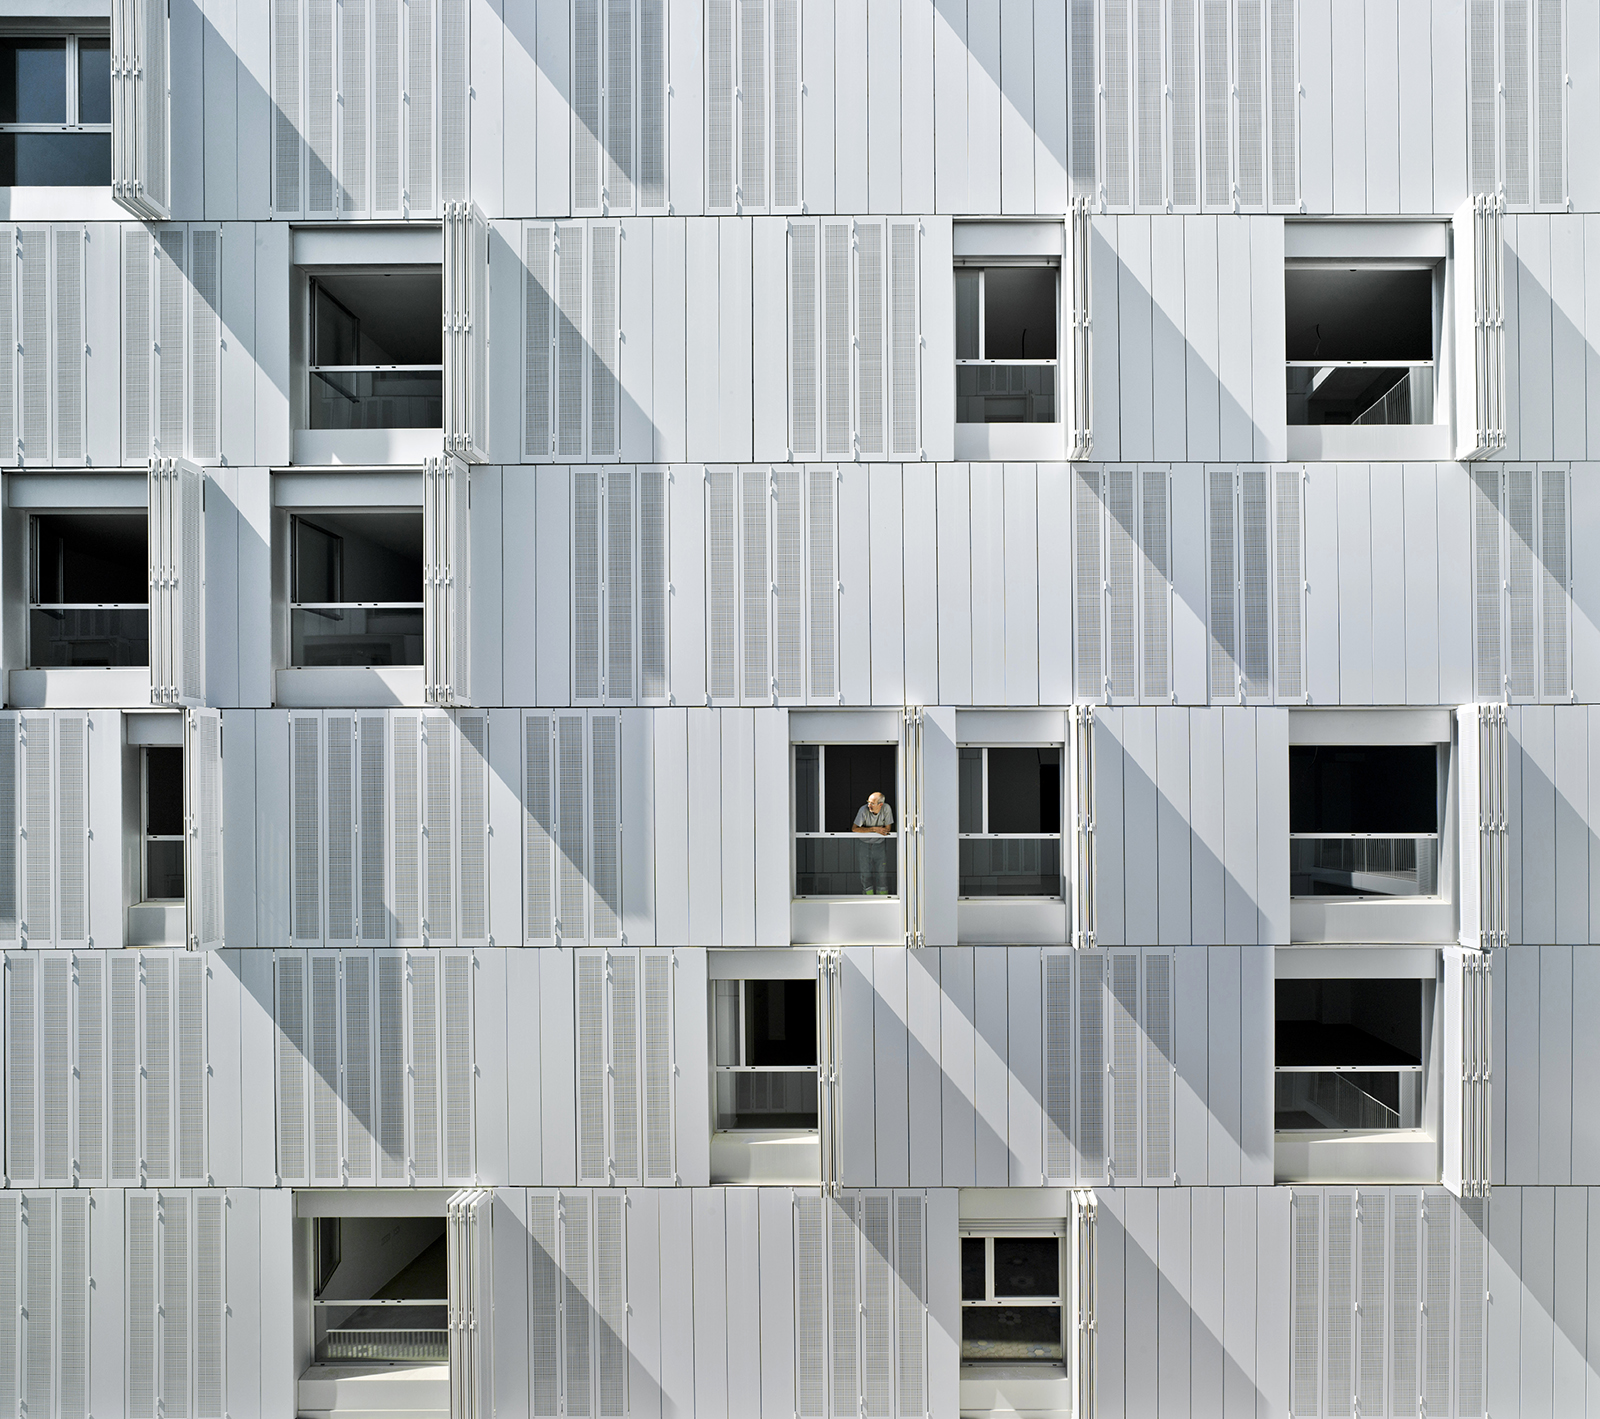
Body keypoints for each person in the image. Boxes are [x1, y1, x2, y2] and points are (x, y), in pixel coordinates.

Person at [852, 791, 894, 894]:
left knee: (882, 873)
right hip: (864, 844)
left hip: (880, 845)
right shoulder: (863, 810)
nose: (869, 805)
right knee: (865, 873)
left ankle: (883, 898)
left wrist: (869, 830)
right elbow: (855, 829)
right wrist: (874, 829)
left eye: (872, 803)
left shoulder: (886, 808)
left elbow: (887, 829)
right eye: (868, 802)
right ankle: (868, 898)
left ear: (880, 804)